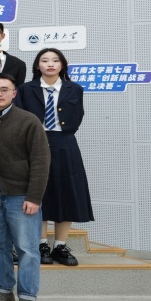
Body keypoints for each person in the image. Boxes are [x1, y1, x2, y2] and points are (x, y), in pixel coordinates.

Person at [0, 74, 50, 301]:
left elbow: (40, 161)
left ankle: (27, 298)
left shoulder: (29, 121)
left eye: (4, 89)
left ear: (14, 93)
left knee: (27, 248)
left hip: (21, 196)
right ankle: (3, 292)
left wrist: (34, 196)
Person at [19, 48, 90, 268]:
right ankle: (42, 244)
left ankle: (60, 245)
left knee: (67, 191)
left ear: (62, 65)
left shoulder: (74, 88)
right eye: (45, 60)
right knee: (39, 192)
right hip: (36, 142)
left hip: (65, 142)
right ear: (37, 65)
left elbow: (77, 116)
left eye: (55, 60)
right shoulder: (25, 89)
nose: (50, 64)